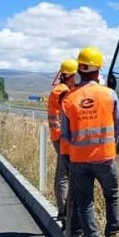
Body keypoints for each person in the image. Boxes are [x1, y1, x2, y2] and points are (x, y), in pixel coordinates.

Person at [61, 46, 119, 237]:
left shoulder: (69, 99)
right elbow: (118, 128)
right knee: (112, 196)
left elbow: (66, 135)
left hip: (78, 160)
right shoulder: (110, 94)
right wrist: (109, 146)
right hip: (105, 157)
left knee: (85, 202)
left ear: (79, 70)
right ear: (98, 71)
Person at [47, 59, 78, 221]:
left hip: (59, 135)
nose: (76, 79)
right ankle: (63, 210)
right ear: (68, 76)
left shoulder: (61, 88)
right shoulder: (63, 91)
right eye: (75, 76)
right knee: (63, 173)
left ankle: (63, 209)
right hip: (61, 136)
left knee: (63, 172)